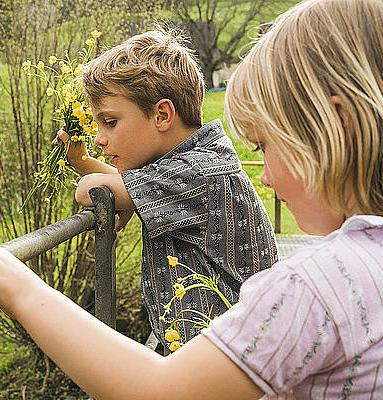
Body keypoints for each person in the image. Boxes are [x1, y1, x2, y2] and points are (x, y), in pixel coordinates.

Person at [0, 0, 383, 397]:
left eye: (265, 147)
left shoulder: (309, 282)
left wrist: (13, 280)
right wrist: (88, 165)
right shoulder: (380, 258)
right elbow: (129, 190)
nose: (267, 178)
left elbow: (163, 391)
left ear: (337, 127)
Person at [52, 28, 278, 349]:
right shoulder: (194, 161)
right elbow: (126, 187)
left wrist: (108, 187)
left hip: (234, 361)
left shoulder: (199, 171)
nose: (100, 137)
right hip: (219, 353)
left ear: (161, 115)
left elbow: (89, 190)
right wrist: (84, 162)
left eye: (110, 122)